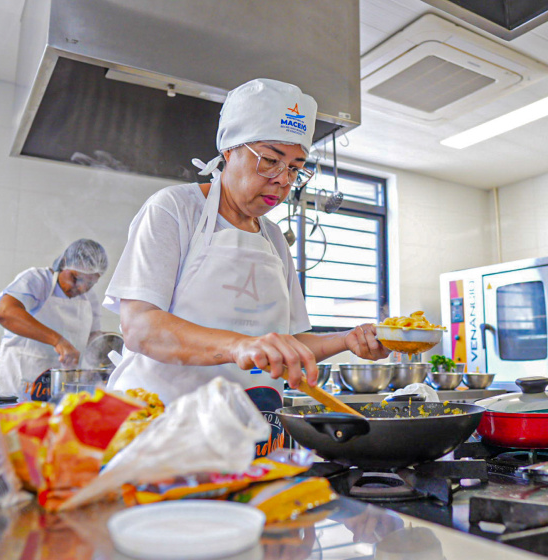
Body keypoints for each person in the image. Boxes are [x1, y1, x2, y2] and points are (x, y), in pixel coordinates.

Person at [104, 78, 390, 456]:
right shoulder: (174, 209)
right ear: (229, 149)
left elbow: (288, 343)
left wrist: (347, 340)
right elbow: (140, 327)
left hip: (252, 437)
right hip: (166, 434)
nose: (282, 180)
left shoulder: (273, 238)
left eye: (295, 168)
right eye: (270, 161)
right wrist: (239, 345)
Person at [0, 239, 108, 400]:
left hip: (56, 391)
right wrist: (58, 341)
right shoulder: (37, 280)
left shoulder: (89, 299)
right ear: (64, 263)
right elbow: (5, 312)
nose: (81, 288)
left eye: (90, 283)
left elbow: (93, 339)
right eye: (76, 278)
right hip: (14, 386)